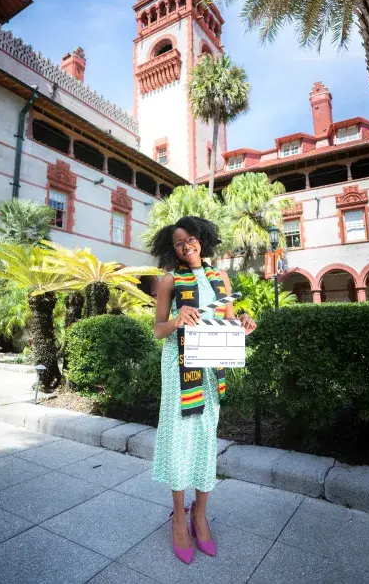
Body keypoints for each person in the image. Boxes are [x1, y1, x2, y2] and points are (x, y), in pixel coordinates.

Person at [150, 216, 256, 564]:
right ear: (172, 248)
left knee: (206, 436)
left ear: (202, 240)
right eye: (179, 243)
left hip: (209, 365)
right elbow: (158, 330)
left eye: (191, 239)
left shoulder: (219, 277)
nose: (186, 246)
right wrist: (177, 320)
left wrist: (243, 325)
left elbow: (229, 318)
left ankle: (200, 514)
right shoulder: (169, 280)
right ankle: (179, 517)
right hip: (178, 367)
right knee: (180, 437)